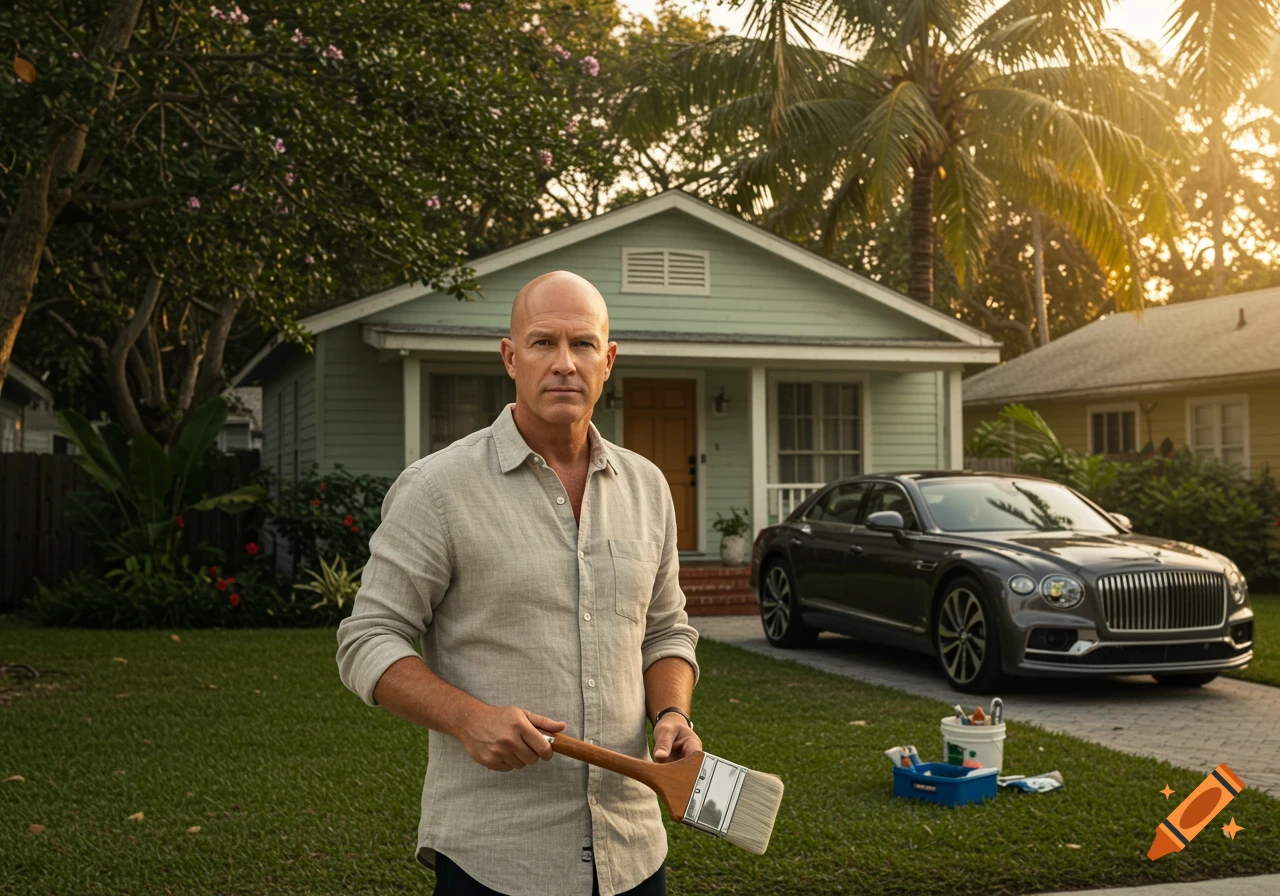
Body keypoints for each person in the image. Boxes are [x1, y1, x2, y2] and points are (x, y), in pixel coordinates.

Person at [336, 270, 701, 896]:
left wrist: (671, 711)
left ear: (608, 361)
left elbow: (666, 631)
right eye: (542, 343)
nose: (564, 364)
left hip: (633, 851)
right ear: (510, 357)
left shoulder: (649, 487)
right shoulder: (438, 490)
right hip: (497, 858)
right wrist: (468, 718)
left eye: (583, 344)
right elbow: (368, 638)